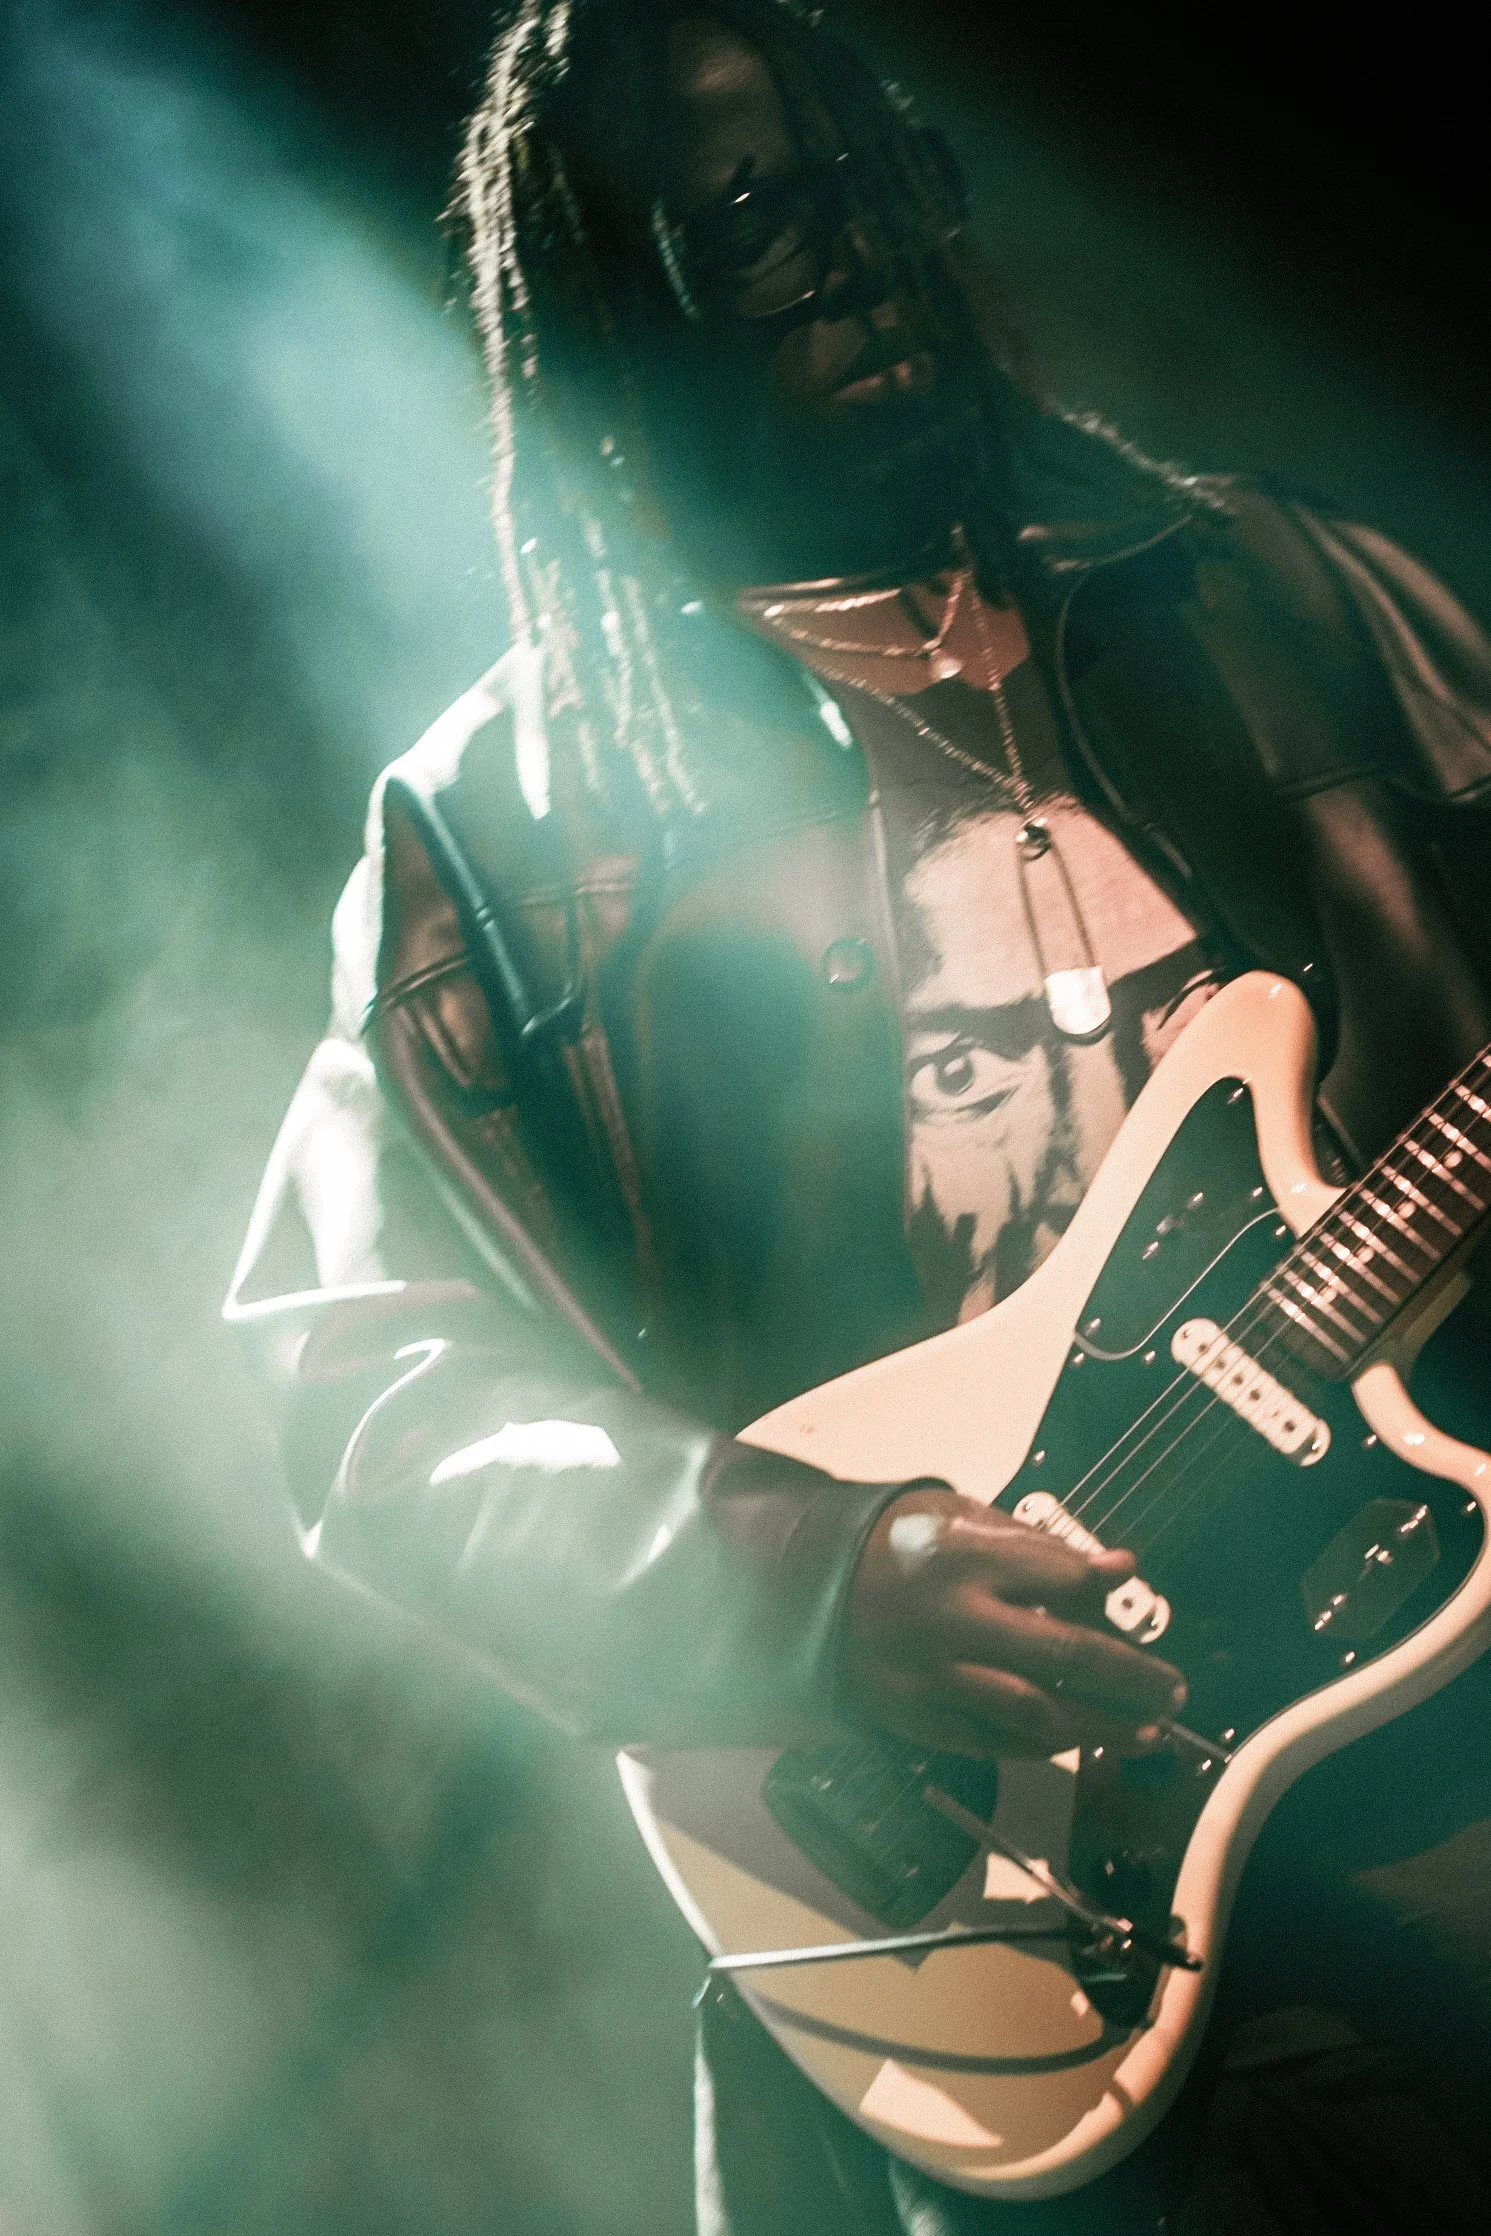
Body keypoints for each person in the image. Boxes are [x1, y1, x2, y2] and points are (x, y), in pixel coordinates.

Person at [228, 3, 1491, 2227]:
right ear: (621, 299)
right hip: (999, 1898)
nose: (862, 258)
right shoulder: (513, 820)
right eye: (757, 225)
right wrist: (815, 1581)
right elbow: (371, 1389)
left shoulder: (1278, 594)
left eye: (880, 184)